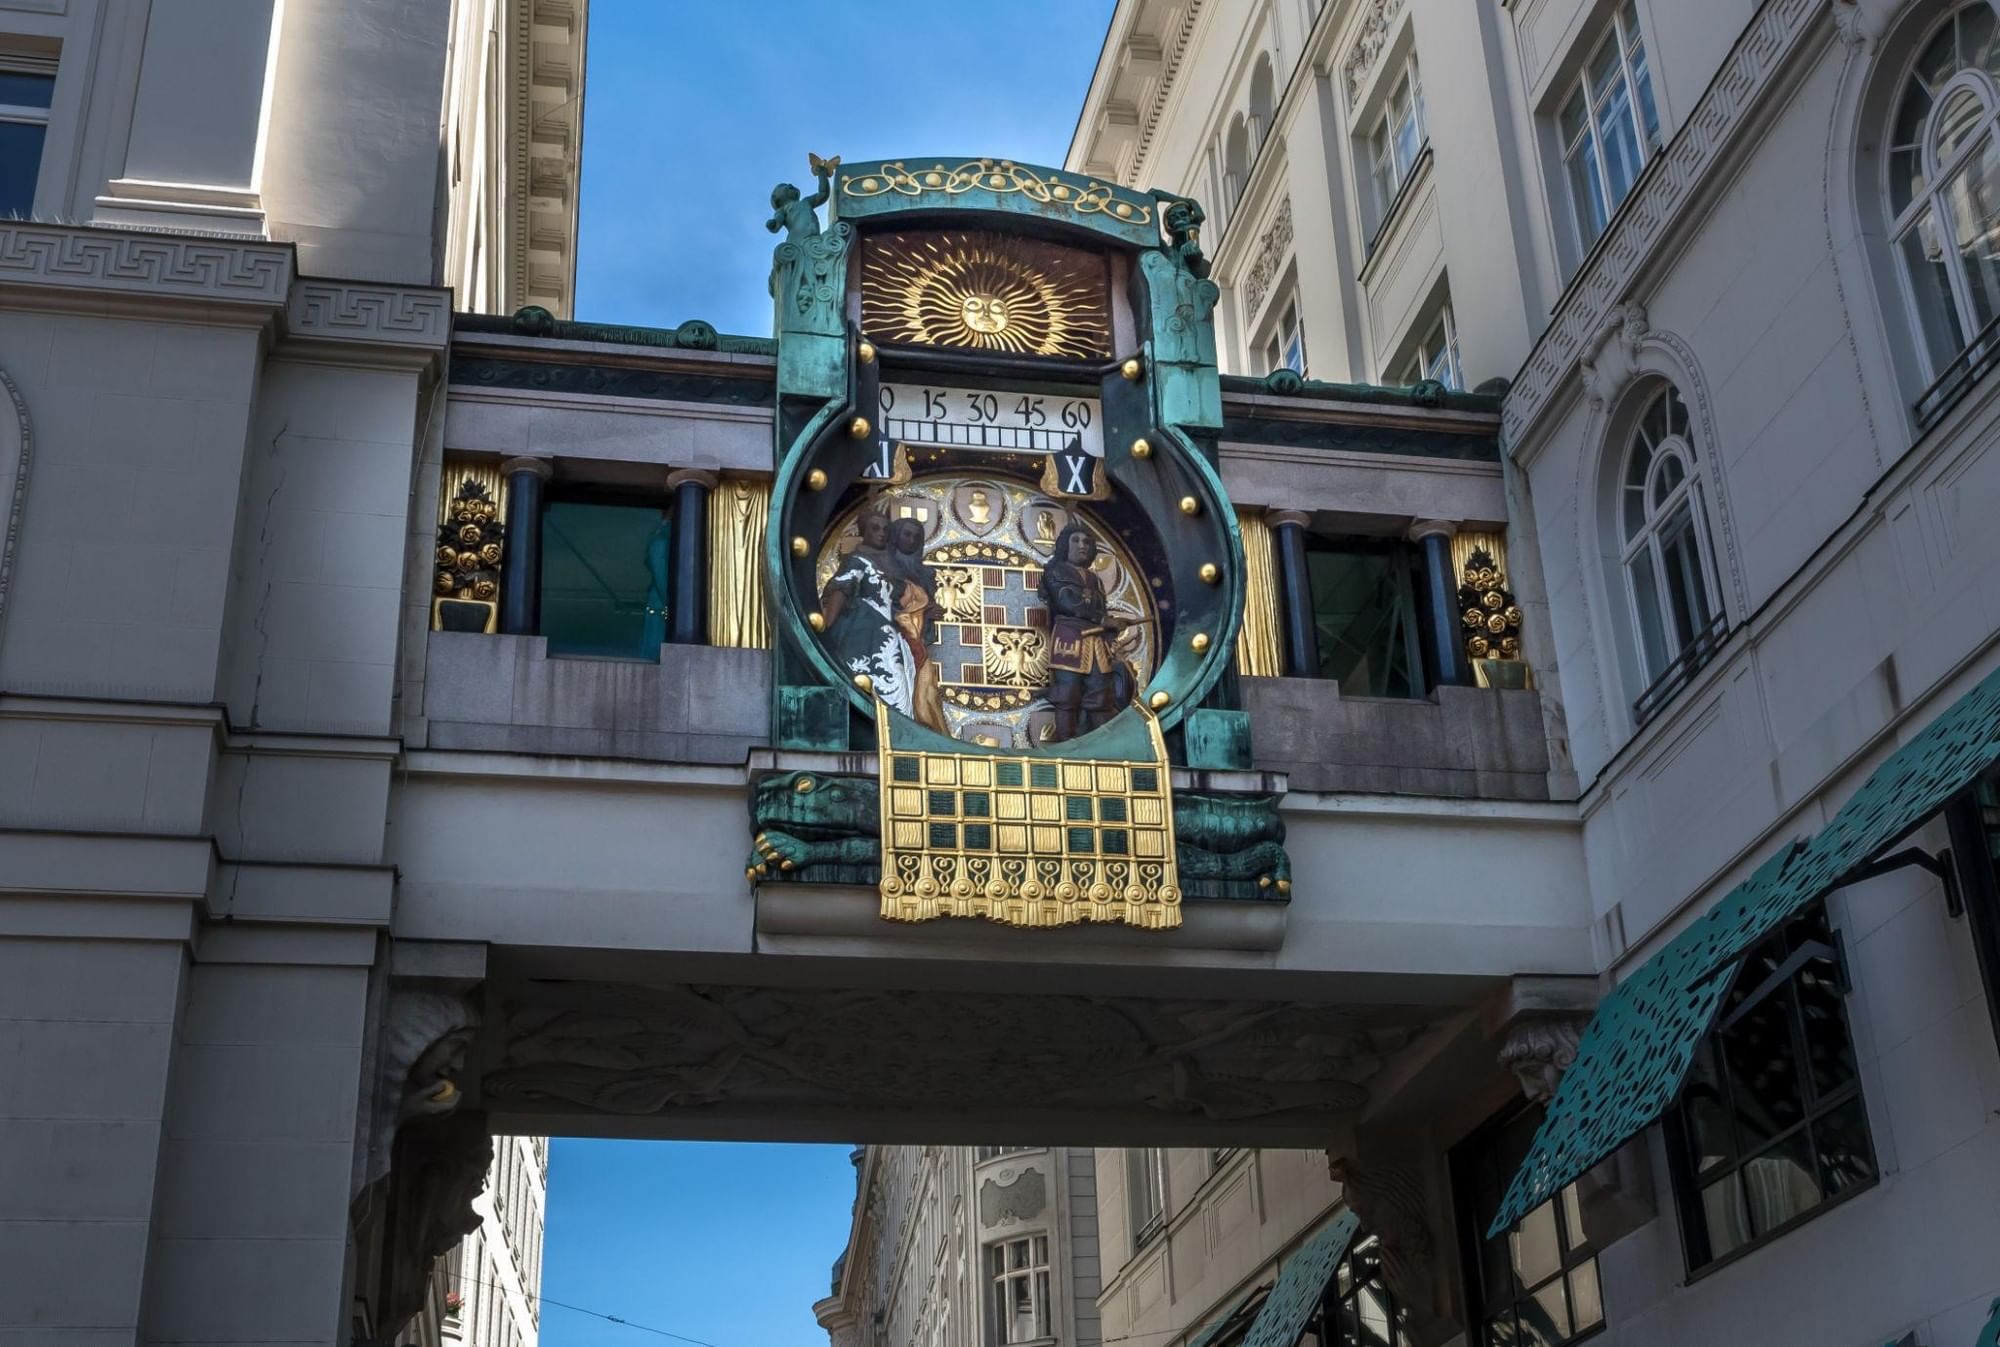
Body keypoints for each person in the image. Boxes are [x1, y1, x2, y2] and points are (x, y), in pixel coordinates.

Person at [1038, 523, 1136, 741]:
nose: (1082, 545)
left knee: (1100, 692)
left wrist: (1112, 627)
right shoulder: (1055, 572)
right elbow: (1066, 602)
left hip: (1096, 641)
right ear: (1065, 545)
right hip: (1069, 638)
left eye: (1087, 541)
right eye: (1076, 540)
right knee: (1067, 693)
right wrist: (1104, 620)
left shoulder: (1095, 580)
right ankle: (1065, 742)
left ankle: (1099, 741)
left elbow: (1101, 609)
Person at [817, 511, 918, 716]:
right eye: (875, 528)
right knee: (884, 682)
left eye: (886, 529)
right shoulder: (857, 560)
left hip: (888, 632)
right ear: (863, 531)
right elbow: (841, 590)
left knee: (900, 687)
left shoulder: (888, 563)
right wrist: (826, 625)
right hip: (865, 632)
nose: (881, 533)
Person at [888, 517, 947, 732]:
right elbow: (882, 607)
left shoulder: (925, 574)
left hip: (915, 638)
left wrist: (928, 614)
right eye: (907, 534)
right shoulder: (885, 567)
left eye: (916, 536)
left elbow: (920, 608)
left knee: (925, 690)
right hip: (894, 639)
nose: (911, 540)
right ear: (895, 536)